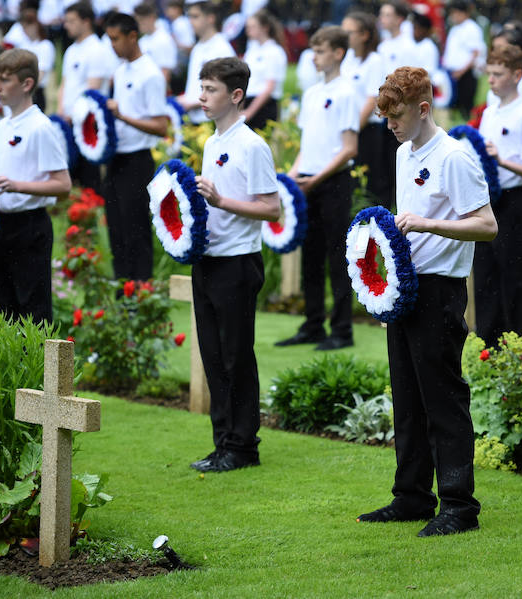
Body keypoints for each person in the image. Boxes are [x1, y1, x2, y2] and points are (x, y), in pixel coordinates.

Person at [356, 66, 496, 537]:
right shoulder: (403, 153)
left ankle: (459, 507)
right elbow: (406, 227)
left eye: (396, 115)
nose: (389, 124)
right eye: (384, 115)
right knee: (409, 399)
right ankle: (412, 497)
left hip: (440, 291)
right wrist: (387, 288)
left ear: (422, 108)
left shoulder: (454, 157)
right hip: (409, 287)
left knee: (443, 398)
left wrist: (428, 224)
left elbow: (487, 225)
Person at [187, 57, 281, 474]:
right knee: (212, 355)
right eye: (201, 88)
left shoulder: (252, 145)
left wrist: (222, 201)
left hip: (237, 263)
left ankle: (244, 446)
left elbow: (271, 208)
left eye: (210, 90)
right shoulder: (212, 143)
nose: (201, 97)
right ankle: (223, 442)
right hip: (206, 260)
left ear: (236, 95)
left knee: (236, 356)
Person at [275, 26, 359, 351]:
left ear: (338, 53)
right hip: (307, 181)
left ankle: (342, 330)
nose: (314, 56)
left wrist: (316, 178)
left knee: (337, 256)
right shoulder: (311, 94)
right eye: (313, 50)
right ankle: (313, 324)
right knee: (310, 255)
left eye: (321, 50)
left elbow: (349, 148)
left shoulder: (346, 92)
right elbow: (307, 146)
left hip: (333, 182)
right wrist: (292, 177)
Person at [0, 48, 72, 324]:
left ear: (27, 84)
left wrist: (16, 186)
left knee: (33, 311)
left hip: (30, 226)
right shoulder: (1, 128)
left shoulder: (40, 127)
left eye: (5, 80)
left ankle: (35, 368)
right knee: (3, 310)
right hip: (0, 225)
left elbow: (63, 185)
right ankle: (7, 368)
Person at [476, 44, 522, 344]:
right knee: (485, 275)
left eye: (498, 74)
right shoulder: (490, 112)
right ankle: (489, 347)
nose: (491, 80)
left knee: (512, 276)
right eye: (489, 73)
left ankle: (516, 342)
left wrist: (502, 160)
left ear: (517, 75)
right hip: (487, 201)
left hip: (513, 201)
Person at [103, 11, 169, 282]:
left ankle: (141, 295)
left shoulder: (151, 73)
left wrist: (123, 117)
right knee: (116, 231)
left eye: (116, 39)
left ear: (133, 36)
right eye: (109, 39)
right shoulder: (120, 71)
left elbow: (161, 126)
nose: (112, 45)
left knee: (136, 231)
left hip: (137, 160)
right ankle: (122, 296)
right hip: (115, 158)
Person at [58, 1, 118, 192]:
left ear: (86, 21)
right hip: (68, 119)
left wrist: (73, 113)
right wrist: (61, 111)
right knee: (71, 175)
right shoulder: (71, 50)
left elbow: (92, 89)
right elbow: (64, 84)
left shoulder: (97, 49)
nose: (66, 25)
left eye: (71, 20)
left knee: (88, 177)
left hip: (87, 121)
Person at [341, 11, 391, 209]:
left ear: (364, 35)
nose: (345, 37)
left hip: (365, 129)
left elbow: (372, 100)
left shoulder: (375, 61)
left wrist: (353, 129)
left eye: (349, 32)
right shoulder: (348, 60)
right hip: (348, 128)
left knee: (368, 179)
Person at [175, 0, 235, 124]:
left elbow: (227, 90)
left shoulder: (222, 48)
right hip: (193, 119)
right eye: (189, 16)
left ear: (210, 18)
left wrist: (193, 103)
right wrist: (181, 100)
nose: (190, 21)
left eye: (195, 16)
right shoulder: (197, 48)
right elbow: (194, 86)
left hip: (213, 120)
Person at [241, 9, 288, 131]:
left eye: (253, 26)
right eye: (248, 26)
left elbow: (269, 87)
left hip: (264, 105)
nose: (248, 30)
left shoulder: (274, 51)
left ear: (265, 28)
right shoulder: (252, 50)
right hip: (247, 101)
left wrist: (250, 112)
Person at [441, 0, 485, 121]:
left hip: (465, 74)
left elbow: (475, 53)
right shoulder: (454, 29)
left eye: (456, 13)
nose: (453, 16)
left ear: (464, 13)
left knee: (466, 107)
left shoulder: (472, 28)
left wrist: (461, 71)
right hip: (452, 73)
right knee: (452, 106)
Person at [134, 1, 178, 85]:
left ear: (152, 18)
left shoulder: (163, 40)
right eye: (137, 21)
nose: (139, 24)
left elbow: (165, 74)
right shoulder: (142, 41)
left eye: (141, 20)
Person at [378, 1, 417, 74]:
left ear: (399, 19)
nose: (381, 18)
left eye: (387, 15)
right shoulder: (383, 45)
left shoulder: (408, 46)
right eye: (381, 14)